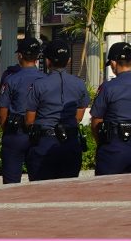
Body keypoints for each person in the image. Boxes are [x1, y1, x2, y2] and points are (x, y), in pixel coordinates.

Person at [90, 42, 131, 176]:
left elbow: (95, 123)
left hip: (112, 148)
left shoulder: (108, 87)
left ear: (114, 63)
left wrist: (103, 144)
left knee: (107, 192)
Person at [26, 42, 89, 181]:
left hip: (44, 142)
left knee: (41, 190)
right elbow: (78, 117)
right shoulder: (79, 84)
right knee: (68, 190)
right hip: (71, 143)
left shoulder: (38, 84)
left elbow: (29, 120)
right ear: (69, 60)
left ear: (47, 60)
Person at [0, 38, 44, 184]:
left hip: (15, 133)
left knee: (11, 184)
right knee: (39, 182)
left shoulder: (11, 79)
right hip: (39, 133)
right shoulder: (45, 79)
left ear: (20, 55)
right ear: (38, 57)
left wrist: (8, 130)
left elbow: (2, 113)